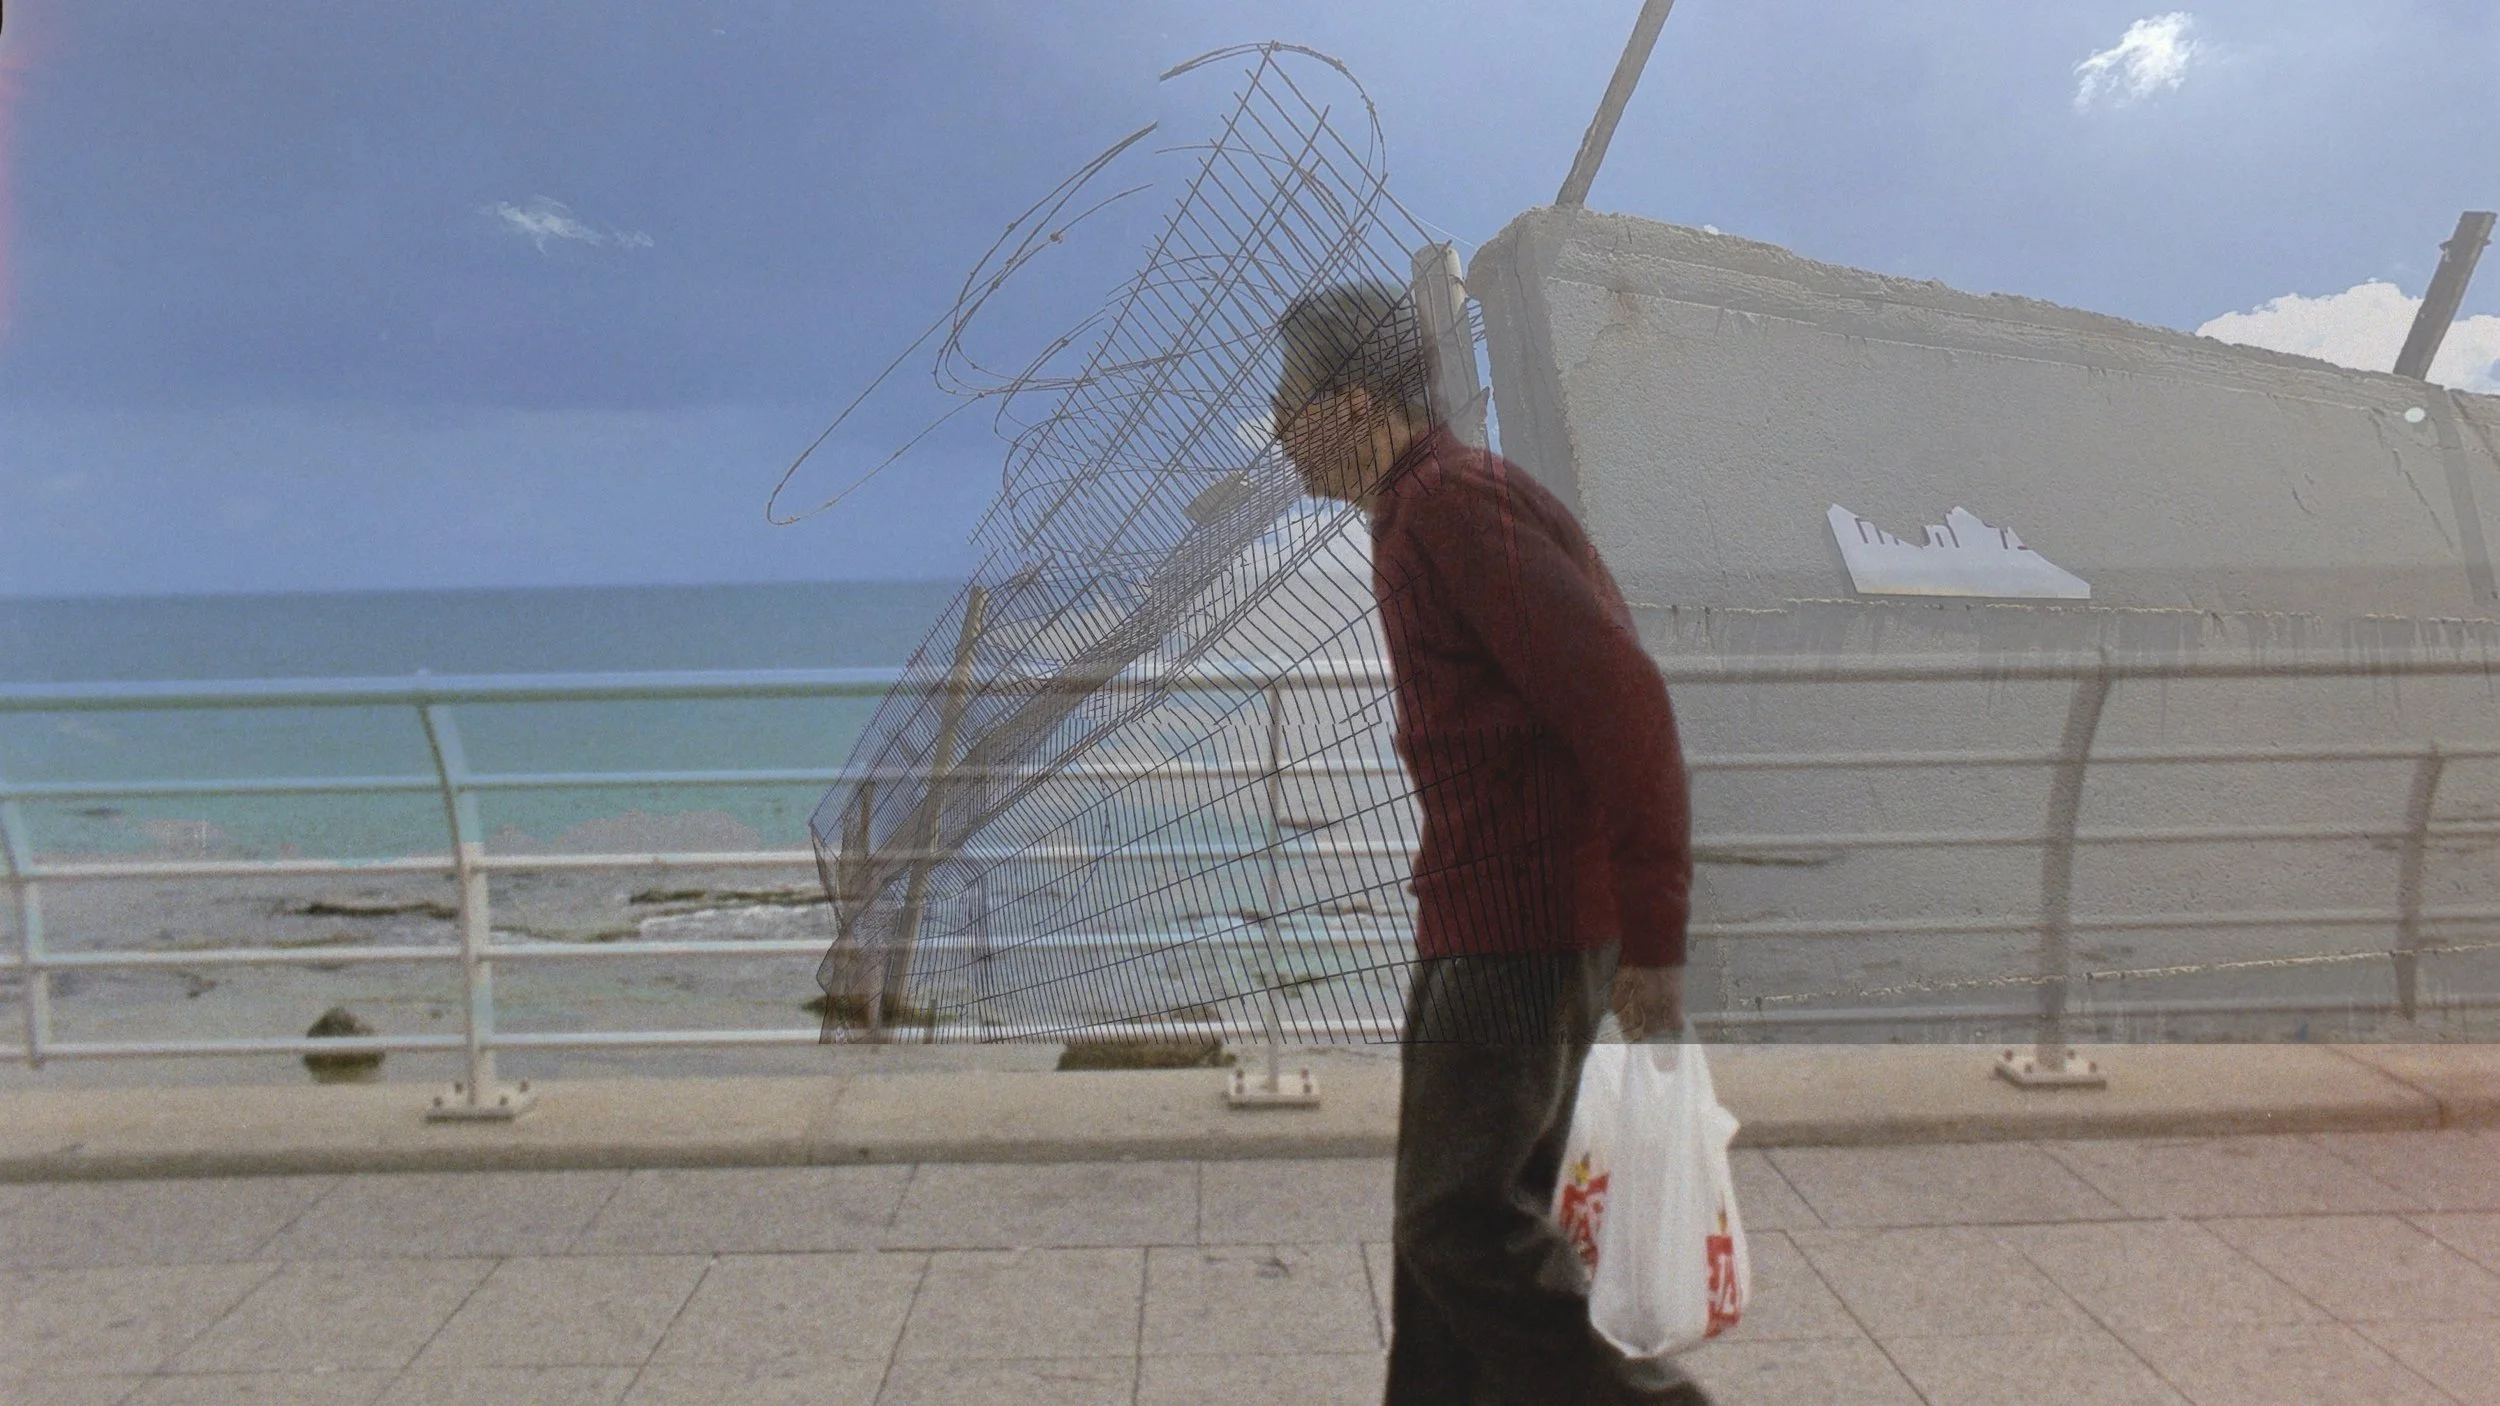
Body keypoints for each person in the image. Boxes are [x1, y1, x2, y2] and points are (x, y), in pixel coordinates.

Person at [1273, 282, 1709, 1406]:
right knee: (1447, 1234)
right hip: (1486, 917)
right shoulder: (1424, 507)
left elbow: (1625, 705)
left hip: (1520, 931)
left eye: (1288, 399)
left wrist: (1653, 937)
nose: (1275, 427)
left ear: (1354, 401)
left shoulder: (1452, 505)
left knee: (1457, 1224)